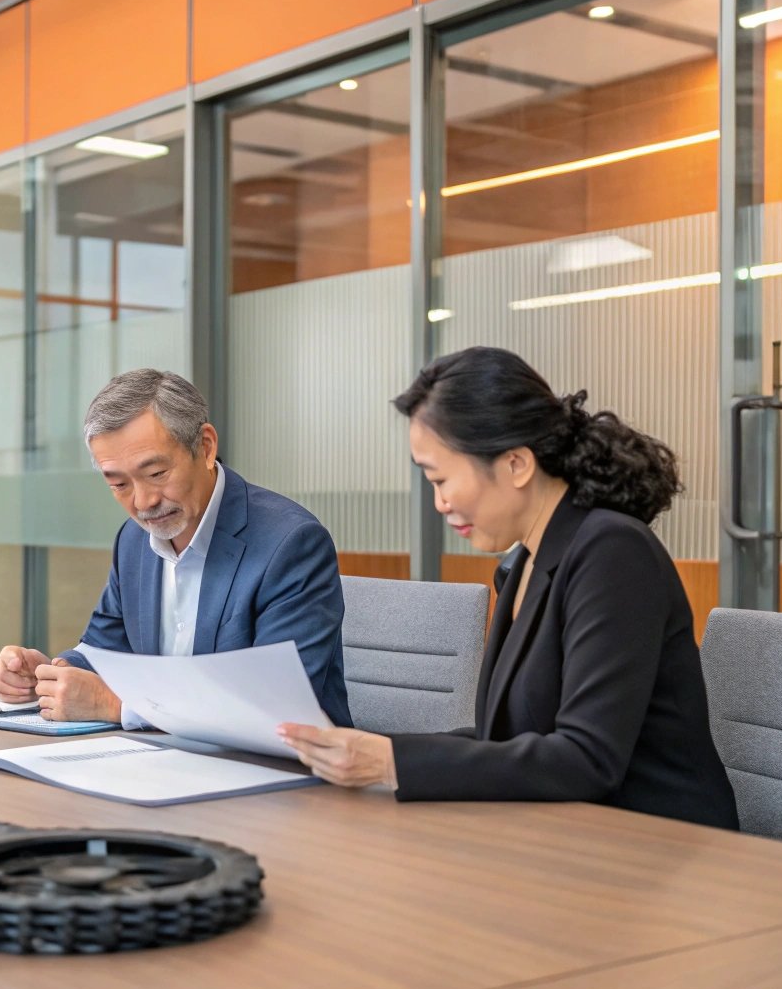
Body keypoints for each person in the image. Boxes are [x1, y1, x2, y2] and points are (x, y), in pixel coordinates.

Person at [279, 347, 738, 830]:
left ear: (516, 464)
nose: (439, 503)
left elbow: (586, 759)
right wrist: (379, 754)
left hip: (663, 849)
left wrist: (392, 762)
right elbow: (505, 739)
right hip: (565, 836)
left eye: (441, 479)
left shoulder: (613, 552)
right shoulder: (524, 564)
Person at [0, 368, 353, 729]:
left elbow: (275, 707)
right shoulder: (132, 541)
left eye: (156, 474)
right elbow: (105, 652)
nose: (143, 502)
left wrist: (117, 705)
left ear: (206, 447)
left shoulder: (290, 543)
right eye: (119, 484)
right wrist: (50, 673)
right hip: (159, 762)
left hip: (277, 773)